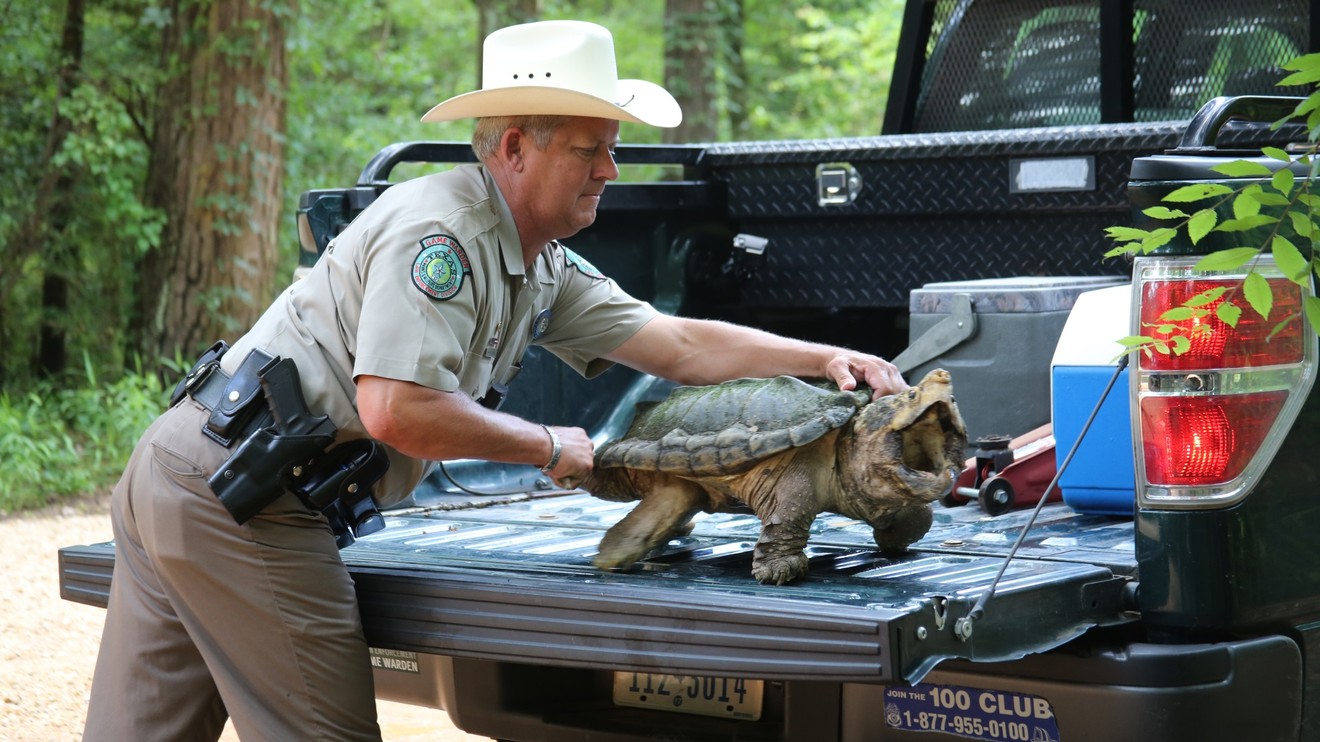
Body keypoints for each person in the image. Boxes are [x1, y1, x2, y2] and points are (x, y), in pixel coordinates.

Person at [83, 19, 907, 741]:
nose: (611, 171)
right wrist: (550, 447)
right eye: (591, 149)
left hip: (190, 468)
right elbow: (396, 409)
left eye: (612, 149)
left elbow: (679, 345)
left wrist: (821, 359)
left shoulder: (538, 258)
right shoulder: (440, 233)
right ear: (515, 146)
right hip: (248, 498)